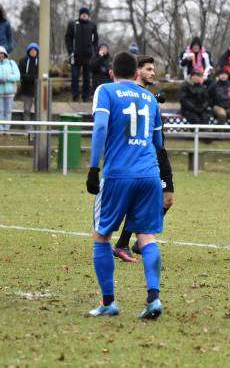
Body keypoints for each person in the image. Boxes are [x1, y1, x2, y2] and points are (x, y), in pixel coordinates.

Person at [85, 51, 165, 318]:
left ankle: (108, 302)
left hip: (118, 174)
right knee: (146, 236)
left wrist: (93, 168)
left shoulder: (106, 91)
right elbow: (158, 143)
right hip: (149, 174)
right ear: (136, 73)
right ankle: (153, 299)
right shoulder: (151, 99)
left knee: (101, 235)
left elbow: (100, 128)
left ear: (111, 73)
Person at [112, 55, 175, 262]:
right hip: (147, 157)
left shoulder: (148, 96)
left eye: (153, 69)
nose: (153, 73)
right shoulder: (132, 95)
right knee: (142, 202)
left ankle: (134, 242)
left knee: (167, 200)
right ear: (137, 71)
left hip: (159, 154)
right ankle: (126, 243)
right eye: (148, 69)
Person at [65, 7, 99, 101]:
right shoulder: (73, 24)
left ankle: (85, 96)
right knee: (75, 76)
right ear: (80, 15)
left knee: (87, 77)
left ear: (88, 15)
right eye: (83, 14)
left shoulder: (92, 25)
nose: (84, 15)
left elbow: (96, 39)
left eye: (86, 14)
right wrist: (70, 50)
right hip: (75, 56)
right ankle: (75, 95)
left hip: (88, 56)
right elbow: (68, 38)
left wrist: (94, 51)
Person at [18, 43, 39, 123]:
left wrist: (33, 77)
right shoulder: (22, 61)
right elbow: (19, 74)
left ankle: (37, 127)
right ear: (28, 51)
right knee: (26, 110)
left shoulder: (41, 61)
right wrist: (28, 77)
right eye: (31, 50)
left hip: (38, 90)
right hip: (26, 90)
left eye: (35, 50)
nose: (33, 52)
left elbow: (42, 74)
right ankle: (28, 128)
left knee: (38, 110)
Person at [0, 46, 19, 130]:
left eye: (1, 53)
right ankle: (1, 129)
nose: (0, 55)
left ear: (5, 54)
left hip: (10, 93)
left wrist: (7, 78)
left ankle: (6, 129)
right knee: (0, 111)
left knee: (8, 111)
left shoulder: (12, 63)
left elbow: (17, 76)